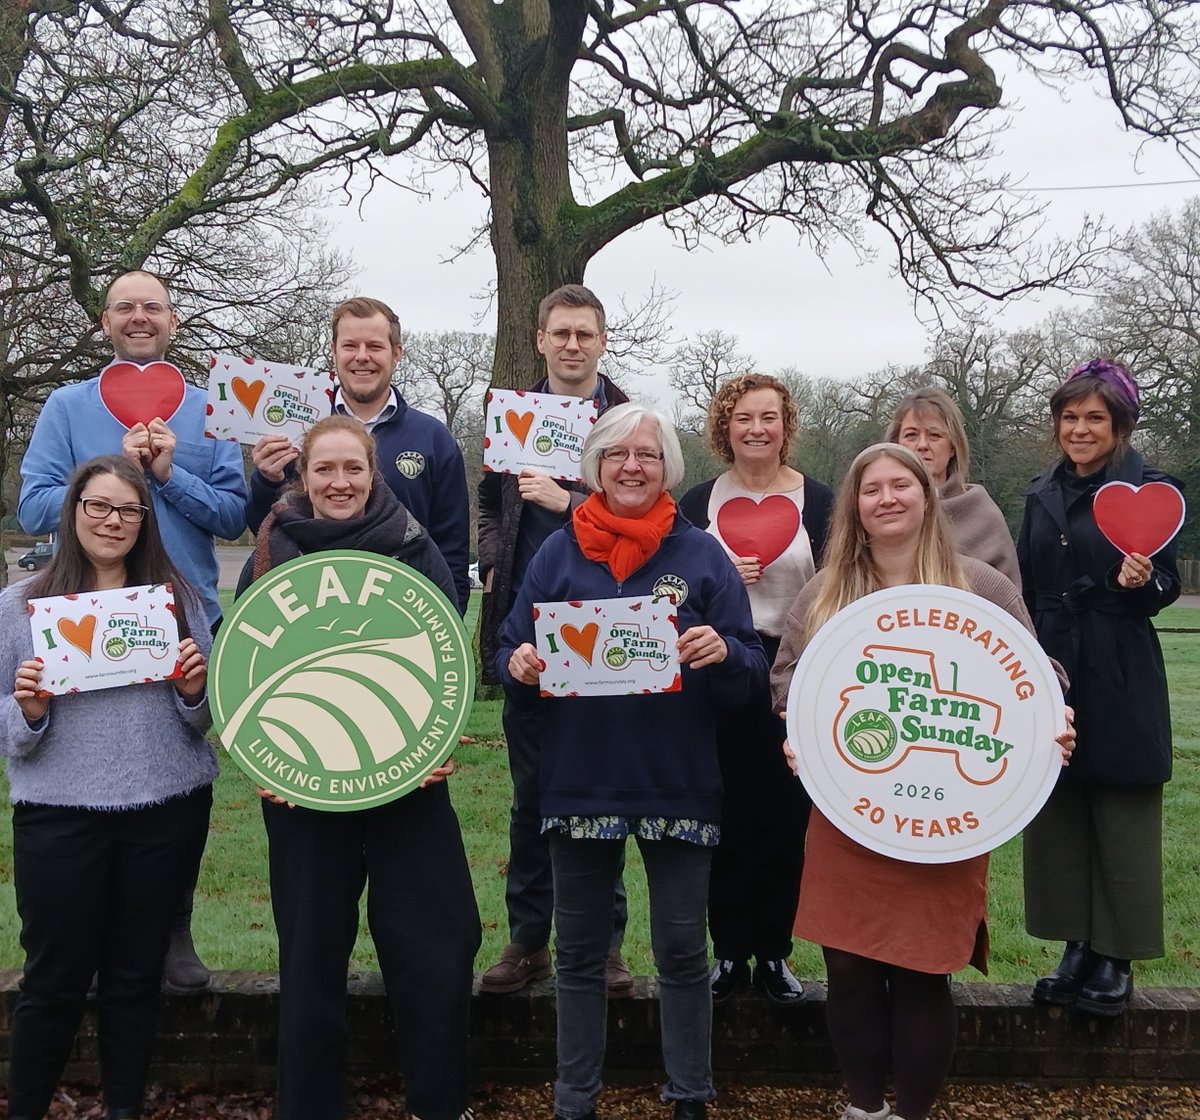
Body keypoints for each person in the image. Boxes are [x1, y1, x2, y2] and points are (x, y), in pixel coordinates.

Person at [770, 443, 1073, 1120]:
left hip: (945, 815)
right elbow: (788, 677)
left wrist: (1054, 721)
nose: (886, 498)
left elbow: (1036, 677)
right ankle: (863, 1108)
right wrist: (801, 731)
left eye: (899, 485)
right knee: (847, 968)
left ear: (926, 496)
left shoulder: (980, 588)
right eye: (870, 489)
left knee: (921, 971)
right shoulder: (826, 593)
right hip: (853, 807)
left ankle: (911, 1114)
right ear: (854, 507)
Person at [498, 403, 767, 1120]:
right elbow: (509, 648)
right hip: (581, 778)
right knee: (579, 956)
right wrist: (520, 664)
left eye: (647, 455)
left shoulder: (701, 555)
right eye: (617, 454)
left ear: (668, 468)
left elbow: (749, 668)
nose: (632, 466)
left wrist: (724, 653)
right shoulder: (558, 552)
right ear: (594, 466)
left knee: (682, 953)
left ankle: (689, 1098)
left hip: (676, 780)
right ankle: (574, 1098)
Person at [239, 414, 481, 1120]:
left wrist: (437, 744)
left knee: (440, 948)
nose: (339, 482)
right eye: (325, 470)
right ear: (302, 477)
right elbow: (245, 658)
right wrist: (260, 750)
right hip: (303, 788)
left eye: (353, 469)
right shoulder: (273, 543)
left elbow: (444, 658)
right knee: (310, 960)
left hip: (407, 783)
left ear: (373, 474)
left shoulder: (410, 543)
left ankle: (439, 1105)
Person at [17, 269, 246, 993]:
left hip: (183, 618)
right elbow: (32, 505)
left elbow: (235, 515)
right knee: (81, 772)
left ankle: (171, 926)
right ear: (106, 322)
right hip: (84, 619)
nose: (139, 317)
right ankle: (64, 934)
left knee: (179, 768)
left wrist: (168, 476)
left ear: (173, 322)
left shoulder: (212, 410)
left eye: (152, 306)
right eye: (125, 307)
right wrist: (112, 475)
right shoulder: (65, 405)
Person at [1, 455, 214, 1120]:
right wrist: (28, 712)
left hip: (165, 809)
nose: (112, 520)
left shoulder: (176, 600)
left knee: (134, 979)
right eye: (98, 505)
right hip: (59, 812)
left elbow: (206, 718)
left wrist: (193, 692)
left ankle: (124, 1110)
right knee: (54, 982)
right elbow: (3, 716)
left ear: (144, 520)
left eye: (127, 509)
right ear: (73, 512)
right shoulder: (18, 606)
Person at [478, 284, 632, 996]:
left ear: (603, 341)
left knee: (607, 791)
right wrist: (489, 554)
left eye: (586, 334)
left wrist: (569, 501)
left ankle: (604, 946)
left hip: (608, 633)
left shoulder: (629, 421)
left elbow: (646, 512)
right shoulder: (510, 415)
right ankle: (527, 941)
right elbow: (486, 501)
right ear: (539, 339)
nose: (573, 345)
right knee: (531, 797)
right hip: (527, 633)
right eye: (560, 333)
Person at [1018, 358, 1180, 1017]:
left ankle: (1116, 955)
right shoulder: (1039, 492)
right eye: (1069, 418)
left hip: (1117, 662)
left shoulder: (1152, 489)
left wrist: (1146, 584)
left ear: (1120, 426)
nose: (1080, 429)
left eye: (1094, 419)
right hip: (1052, 659)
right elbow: (1028, 582)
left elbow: (1166, 585)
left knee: (1119, 807)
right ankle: (1076, 946)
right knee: (1060, 806)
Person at [678, 373, 832, 1007]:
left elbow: (839, 580)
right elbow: (672, 586)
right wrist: (717, 576)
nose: (757, 429)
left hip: (796, 666)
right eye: (744, 418)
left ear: (785, 425)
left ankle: (773, 951)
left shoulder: (820, 500)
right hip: (719, 664)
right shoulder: (695, 503)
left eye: (769, 417)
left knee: (784, 813)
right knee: (723, 811)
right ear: (725, 426)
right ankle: (729, 950)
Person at [245, 296, 471, 612]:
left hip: (398, 613)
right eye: (350, 346)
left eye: (374, 347)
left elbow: (452, 549)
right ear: (334, 351)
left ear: (396, 354)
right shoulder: (295, 429)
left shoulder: (434, 438)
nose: (362, 357)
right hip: (307, 615)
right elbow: (265, 534)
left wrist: (447, 624)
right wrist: (266, 483)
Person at [885, 386, 1020, 586]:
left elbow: (1005, 601)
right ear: (896, 444)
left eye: (934, 435)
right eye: (911, 435)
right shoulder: (880, 509)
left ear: (952, 448)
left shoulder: (982, 514)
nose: (922, 445)